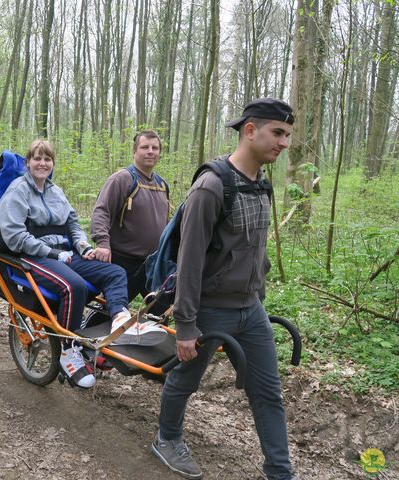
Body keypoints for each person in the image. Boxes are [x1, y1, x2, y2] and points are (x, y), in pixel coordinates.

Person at [151, 98, 298, 480]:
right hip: (209, 310)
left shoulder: (262, 185)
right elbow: (190, 262)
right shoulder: (211, 187)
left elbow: (256, 251)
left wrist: (258, 296)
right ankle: (167, 438)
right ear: (250, 131)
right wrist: (185, 324)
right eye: (278, 133)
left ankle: (279, 472)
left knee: (268, 393)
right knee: (185, 381)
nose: (284, 143)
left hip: (250, 311)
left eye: (288, 135)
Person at [0, 139, 132, 389]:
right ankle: (69, 352)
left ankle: (119, 321)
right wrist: (51, 252)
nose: (42, 163)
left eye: (47, 159)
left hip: (67, 253)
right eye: (37, 158)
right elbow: (15, 236)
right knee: (74, 287)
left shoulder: (55, 191)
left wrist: (83, 246)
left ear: (52, 164)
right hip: (35, 255)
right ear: (27, 163)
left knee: (115, 273)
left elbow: (72, 223)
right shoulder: (17, 191)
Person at [90, 130, 169, 304]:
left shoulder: (162, 184)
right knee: (111, 313)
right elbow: (101, 212)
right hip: (123, 263)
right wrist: (102, 243)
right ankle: (83, 330)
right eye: (145, 147)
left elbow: (166, 223)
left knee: (159, 311)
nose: (150, 151)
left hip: (153, 263)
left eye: (155, 148)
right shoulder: (122, 179)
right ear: (134, 151)